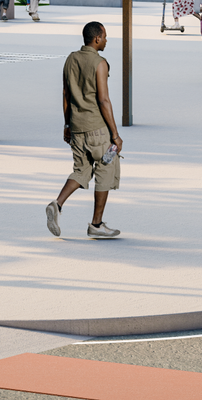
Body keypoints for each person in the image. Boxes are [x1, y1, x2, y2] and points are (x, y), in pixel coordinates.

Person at [48, 21, 123, 239]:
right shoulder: (100, 63)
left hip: (77, 127)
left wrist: (67, 124)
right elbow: (103, 100)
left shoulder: (71, 58)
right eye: (105, 36)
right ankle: (96, 225)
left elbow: (65, 94)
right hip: (97, 129)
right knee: (105, 170)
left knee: (81, 171)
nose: (106, 40)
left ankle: (57, 203)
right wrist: (115, 136)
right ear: (97, 39)